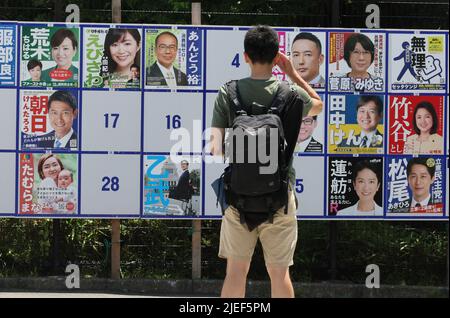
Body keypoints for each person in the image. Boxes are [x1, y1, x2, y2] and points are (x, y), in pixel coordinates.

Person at [210, 25, 323, 298]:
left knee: (236, 272)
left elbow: (215, 149)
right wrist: (292, 72)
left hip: (237, 196)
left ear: (246, 56)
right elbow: (317, 105)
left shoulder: (229, 92)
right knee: (279, 273)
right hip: (280, 195)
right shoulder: (290, 93)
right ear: (276, 58)